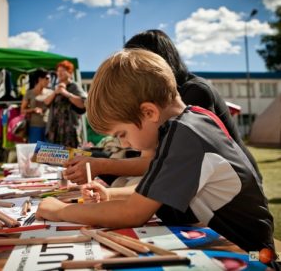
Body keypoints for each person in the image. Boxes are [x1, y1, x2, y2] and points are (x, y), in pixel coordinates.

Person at [36, 49, 275, 256]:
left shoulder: (186, 136)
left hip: (256, 253)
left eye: (122, 134)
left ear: (149, 112)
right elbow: (153, 190)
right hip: (241, 241)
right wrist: (110, 195)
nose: (125, 145)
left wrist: (61, 211)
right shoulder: (192, 121)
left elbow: (133, 214)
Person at [63, 29, 261, 185]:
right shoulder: (165, 102)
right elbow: (154, 158)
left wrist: (100, 165)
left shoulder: (194, 94)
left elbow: (165, 163)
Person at [44, 60, 87, 148]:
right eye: (58, 71)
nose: (59, 73)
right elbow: (46, 102)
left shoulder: (74, 86)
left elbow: (83, 103)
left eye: (62, 71)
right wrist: (55, 92)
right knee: (55, 159)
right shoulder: (56, 87)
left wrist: (65, 93)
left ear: (70, 73)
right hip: (55, 129)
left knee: (71, 158)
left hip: (70, 129)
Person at [21, 70, 50, 143]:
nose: (49, 80)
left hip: (48, 127)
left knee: (48, 152)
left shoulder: (51, 92)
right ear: (40, 79)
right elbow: (22, 110)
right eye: (47, 78)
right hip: (34, 127)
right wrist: (33, 110)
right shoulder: (29, 93)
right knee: (35, 151)